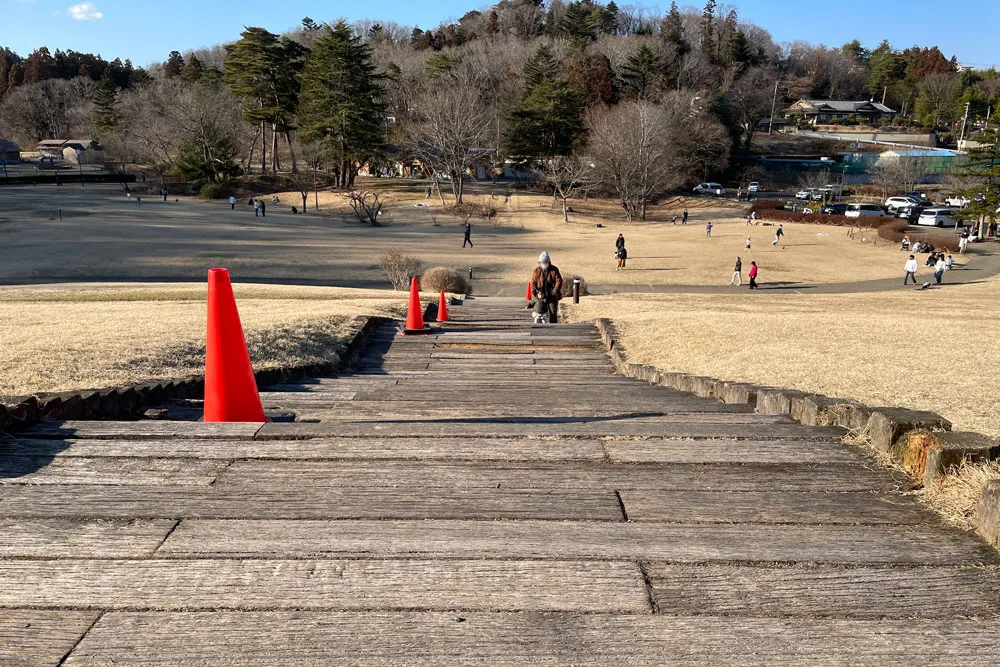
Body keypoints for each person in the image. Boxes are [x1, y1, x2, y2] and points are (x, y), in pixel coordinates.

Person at [530, 252, 563, 324]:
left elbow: (559, 280)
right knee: (539, 312)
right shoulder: (536, 271)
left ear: (549, 262)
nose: (544, 263)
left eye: (545, 262)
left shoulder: (554, 270)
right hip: (540, 295)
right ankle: (539, 327)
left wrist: (556, 289)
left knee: (553, 312)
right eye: (542, 262)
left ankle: (553, 327)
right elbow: (533, 283)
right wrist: (534, 293)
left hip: (552, 295)